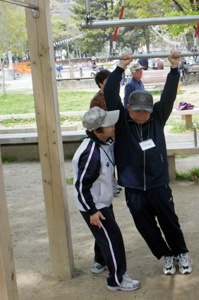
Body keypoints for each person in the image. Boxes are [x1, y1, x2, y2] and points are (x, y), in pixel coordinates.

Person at [104, 52, 193, 276]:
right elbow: (109, 92)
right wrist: (119, 68)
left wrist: (174, 69)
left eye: (146, 111)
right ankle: (167, 255)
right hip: (133, 186)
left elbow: (169, 95)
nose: (142, 115)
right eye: (137, 111)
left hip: (158, 183)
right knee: (145, 226)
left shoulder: (157, 118)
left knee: (169, 221)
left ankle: (181, 252)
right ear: (128, 109)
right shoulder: (122, 122)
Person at [72, 106, 141, 291]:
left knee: (103, 235)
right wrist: (92, 211)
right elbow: (81, 186)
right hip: (94, 204)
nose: (113, 126)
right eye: (109, 125)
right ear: (97, 131)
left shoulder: (103, 142)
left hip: (101, 200)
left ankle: (99, 262)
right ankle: (116, 280)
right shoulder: (90, 153)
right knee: (113, 237)